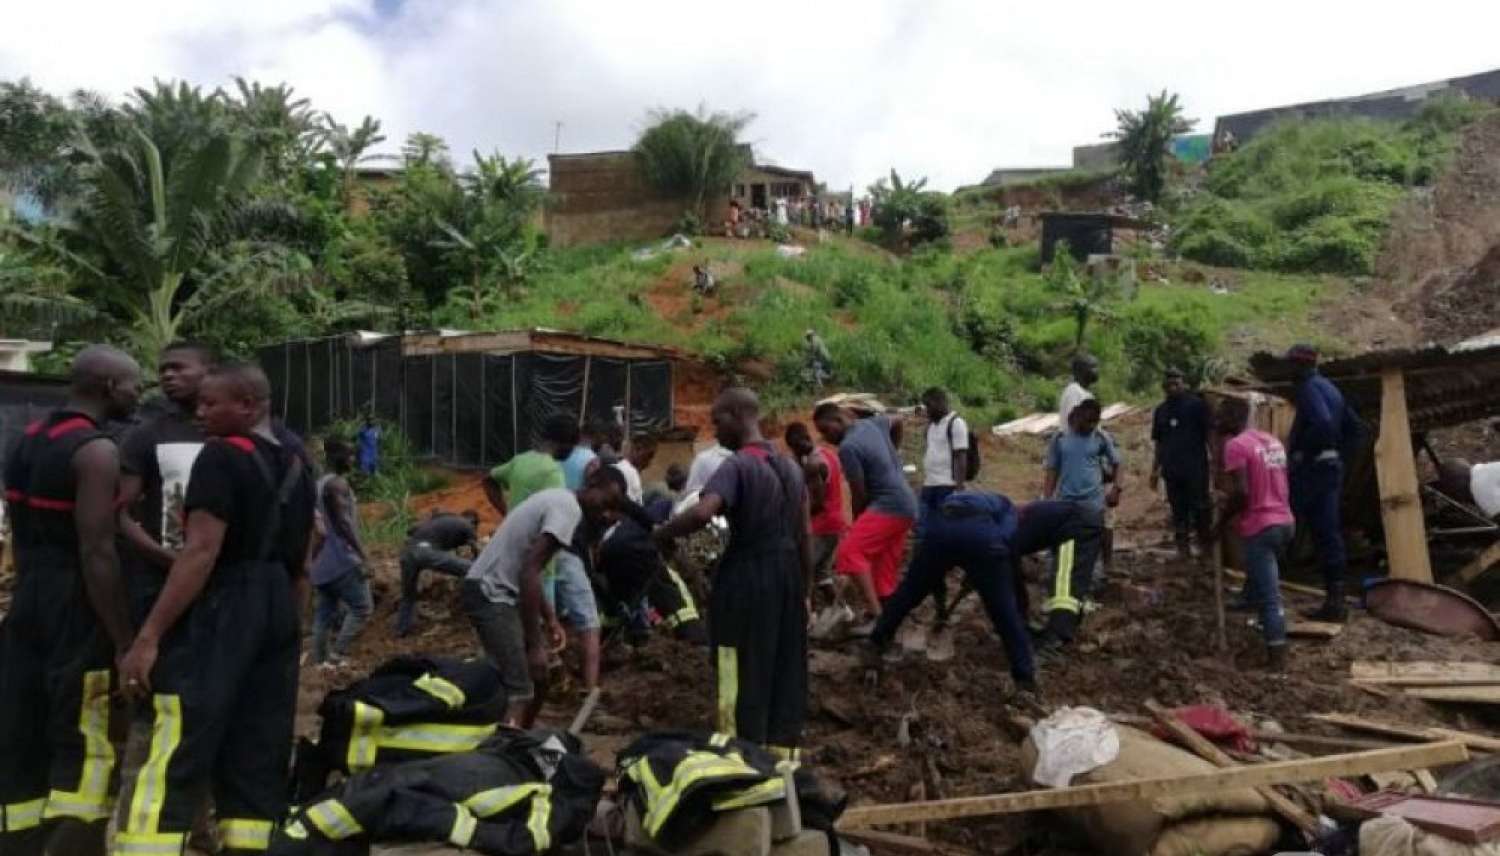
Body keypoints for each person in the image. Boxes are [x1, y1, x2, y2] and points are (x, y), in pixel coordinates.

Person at [117, 362, 317, 856]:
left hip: (226, 599)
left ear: (247, 405)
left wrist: (149, 636)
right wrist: (293, 629)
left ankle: (146, 847)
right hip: (276, 604)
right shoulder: (297, 461)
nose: (200, 413)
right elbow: (307, 554)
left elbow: (201, 551)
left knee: (182, 729)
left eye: (211, 404)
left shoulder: (221, 457)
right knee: (259, 742)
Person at [0, 345, 140, 856]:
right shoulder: (96, 451)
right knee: (83, 731)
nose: (137, 394)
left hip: (29, 598)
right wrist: (124, 637)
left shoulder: (28, 440)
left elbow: (19, 533)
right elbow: (97, 550)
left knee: (22, 726)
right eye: (133, 385)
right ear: (109, 387)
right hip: (75, 607)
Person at [655, 389, 811, 758]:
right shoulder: (791, 467)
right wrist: (806, 593)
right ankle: (782, 761)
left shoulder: (737, 466)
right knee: (784, 667)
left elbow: (701, 513)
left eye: (718, 419)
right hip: (788, 578)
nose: (715, 428)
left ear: (738, 415)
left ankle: (739, 754)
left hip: (748, 577)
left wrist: (661, 534)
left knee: (736, 666)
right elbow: (804, 534)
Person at [461, 467, 627, 728]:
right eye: (605, 502)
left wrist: (550, 619)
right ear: (592, 483)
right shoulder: (568, 509)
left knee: (540, 679)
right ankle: (505, 755)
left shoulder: (560, 501)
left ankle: (522, 736)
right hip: (490, 593)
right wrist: (536, 645)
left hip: (498, 592)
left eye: (612, 508)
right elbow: (530, 571)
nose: (605, 512)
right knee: (520, 689)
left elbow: (531, 573)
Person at [864, 491, 1037, 694]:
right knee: (1004, 612)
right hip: (981, 538)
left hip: (941, 532)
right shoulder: (1008, 508)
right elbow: (1006, 539)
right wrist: (987, 569)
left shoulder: (960, 498)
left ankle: (878, 638)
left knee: (909, 591)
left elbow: (931, 526)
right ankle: (1024, 677)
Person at [814, 402, 917, 632]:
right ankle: (889, 619)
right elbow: (898, 418)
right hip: (908, 505)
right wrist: (893, 453)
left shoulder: (849, 448)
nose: (826, 438)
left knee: (849, 552)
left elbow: (859, 493)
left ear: (839, 420)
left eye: (826, 430)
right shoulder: (873, 424)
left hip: (887, 504)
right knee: (882, 565)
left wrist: (858, 524)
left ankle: (877, 616)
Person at [1216, 396, 1295, 670]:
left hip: (1262, 524)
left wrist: (1222, 521)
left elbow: (1241, 492)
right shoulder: (1271, 440)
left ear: (1235, 418)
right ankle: (1250, 606)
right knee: (1260, 574)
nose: (1218, 421)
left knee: (1270, 596)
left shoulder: (1235, 446)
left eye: (1222, 415)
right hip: (1285, 520)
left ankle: (1277, 658)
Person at [1285, 344, 1357, 622]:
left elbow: (1324, 424)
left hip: (1311, 472)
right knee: (1328, 533)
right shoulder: (1331, 388)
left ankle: (1259, 588)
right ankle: (1335, 600)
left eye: (1290, 366)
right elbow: (1355, 430)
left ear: (1298, 366)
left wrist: (1305, 452)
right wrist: (1338, 457)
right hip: (1330, 471)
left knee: (1280, 523)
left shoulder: (1308, 389)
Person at [1041, 398, 1122, 625]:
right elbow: (1051, 470)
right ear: (1076, 416)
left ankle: (1078, 600)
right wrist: (1046, 500)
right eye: (1087, 421)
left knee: (1086, 558)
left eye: (1094, 422)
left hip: (1092, 508)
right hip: (1065, 506)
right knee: (1064, 556)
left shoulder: (1100, 437)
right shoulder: (1060, 439)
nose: (1090, 426)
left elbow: (1118, 464)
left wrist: (1117, 489)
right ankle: (1063, 601)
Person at [309, 438, 373, 666]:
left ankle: (320, 662)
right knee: (362, 607)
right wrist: (363, 556)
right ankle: (337, 655)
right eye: (349, 455)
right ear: (338, 458)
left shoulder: (318, 484)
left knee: (324, 615)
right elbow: (344, 525)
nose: (353, 460)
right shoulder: (337, 485)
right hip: (342, 560)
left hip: (320, 565)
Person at [917, 388, 970, 642]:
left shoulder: (956, 424)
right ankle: (938, 600)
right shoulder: (930, 427)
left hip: (947, 489)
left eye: (929, 405)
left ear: (940, 402)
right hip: (929, 488)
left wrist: (958, 493)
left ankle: (951, 592)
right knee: (925, 540)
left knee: (946, 542)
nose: (926, 410)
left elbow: (961, 458)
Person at [1149, 369, 1213, 561]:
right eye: (1169, 384)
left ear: (1183, 383)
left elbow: (1209, 435)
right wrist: (1154, 470)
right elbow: (1159, 442)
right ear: (1164, 386)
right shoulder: (1161, 411)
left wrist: (1216, 461)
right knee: (1178, 510)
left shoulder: (1196, 406)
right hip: (1172, 470)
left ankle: (1205, 549)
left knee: (1200, 508)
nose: (1173, 387)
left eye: (1177, 383)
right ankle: (1182, 550)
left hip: (1195, 468)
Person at [785, 422, 847, 609]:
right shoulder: (828, 454)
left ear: (796, 444)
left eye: (794, 448)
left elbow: (817, 503)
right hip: (835, 522)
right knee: (821, 574)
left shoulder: (812, 465)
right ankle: (843, 611)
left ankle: (806, 618)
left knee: (803, 571)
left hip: (822, 525)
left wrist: (793, 517)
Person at [395, 510, 480, 637]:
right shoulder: (467, 525)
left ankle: (401, 630)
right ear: (473, 522)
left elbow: (411, 530)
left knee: (408, 596)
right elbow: (476, 552)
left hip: (408, 554)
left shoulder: (441, 519)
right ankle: (476, 612)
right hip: (427, 553)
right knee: (474, 571)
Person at [485, 415, 570, 517]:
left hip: (513, 529)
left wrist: (508, 515)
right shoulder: (554, 472)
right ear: (565, 443)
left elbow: (488, 480)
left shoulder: (520, 460)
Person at [614, 434, 658, 505]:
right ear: (637, 450)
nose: (649, 462)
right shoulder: (632, 473)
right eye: (649, 456)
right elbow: (635, 507)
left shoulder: (618, 465)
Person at [1058, 354, 1098, 428]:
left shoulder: (1084, 393)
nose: (1096, 370)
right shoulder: (1074, 392)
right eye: (1092, 367)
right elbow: (1076, 423)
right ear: (1081, 370)